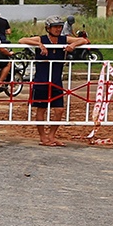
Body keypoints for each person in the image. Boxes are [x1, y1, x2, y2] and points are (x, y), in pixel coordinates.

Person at [19, 17, 90, 146]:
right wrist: (39, 45)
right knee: (41, 109)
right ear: (48, 28)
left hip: (56, 80)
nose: (58, 29)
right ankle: (43, 137)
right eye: (55, 26)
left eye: (59, 26)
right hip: (41, 79)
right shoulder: (42, 39)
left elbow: (84, 40)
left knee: (59, 110)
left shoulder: (64, 39)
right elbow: (22, 40)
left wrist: (73, 45)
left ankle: (52, 136)